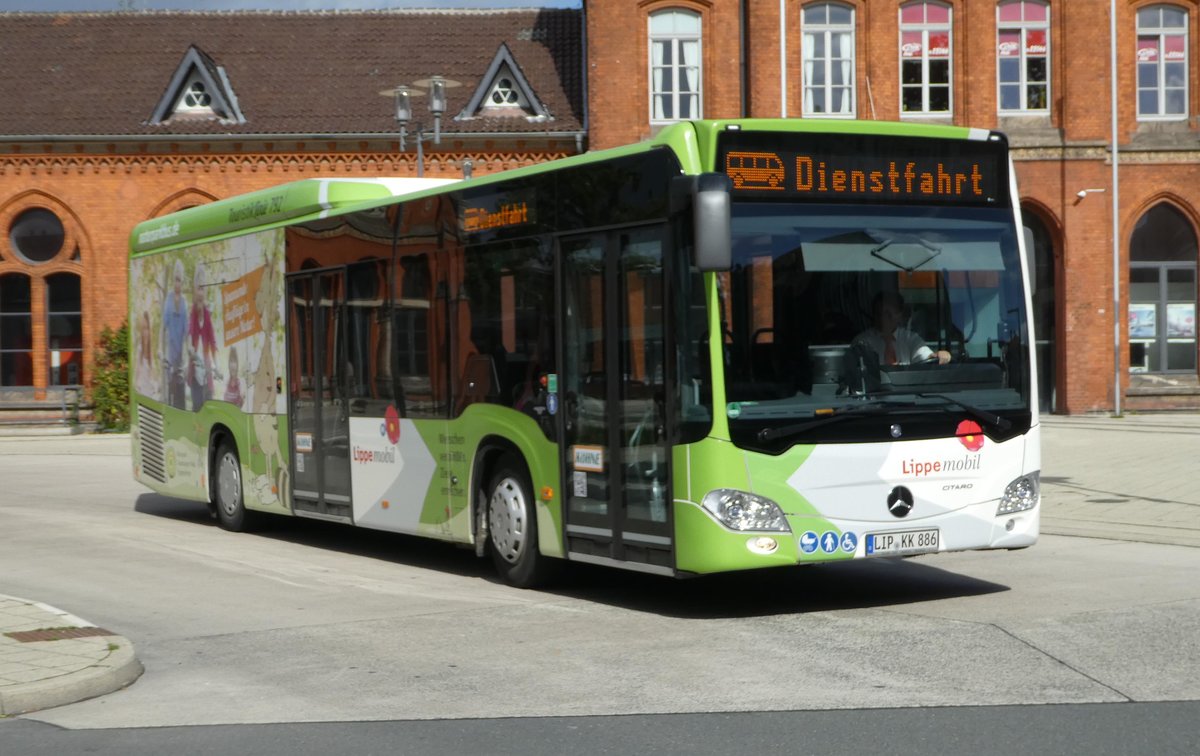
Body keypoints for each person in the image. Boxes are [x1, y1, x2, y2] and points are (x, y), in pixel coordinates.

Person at [852, 291, 950, 366]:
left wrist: (941, 355)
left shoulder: (910, 339)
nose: (883, 318)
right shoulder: (862, 342)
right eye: (879, 313)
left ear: (899, 315)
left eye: (888, 314)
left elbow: (926, 357)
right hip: (875, 392)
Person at [161, 260, 189, 409]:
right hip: (170, 353)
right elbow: (163, 327)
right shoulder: (168, 300)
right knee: (170, 389)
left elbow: (187, 332)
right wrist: (162, 351)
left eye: (179, 280)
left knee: (180, 390)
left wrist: (187, 353)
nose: (177, 283)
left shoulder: (184, 302)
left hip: (181, 355)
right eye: (175, 280)